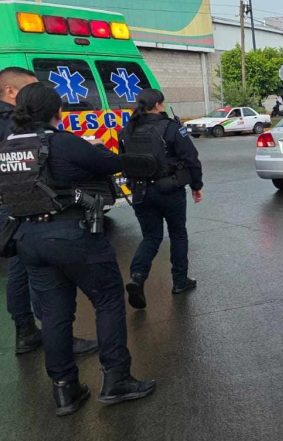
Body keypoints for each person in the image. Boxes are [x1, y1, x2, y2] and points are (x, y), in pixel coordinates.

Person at [1, 83, 155, 416]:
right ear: (56, 110)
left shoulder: (6, 147)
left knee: (54, 314)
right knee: (108, 300)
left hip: (28, 238)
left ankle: (65, 390)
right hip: (73, 235)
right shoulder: (62, 142)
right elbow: (109, 164)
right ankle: (116, 378)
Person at [0, 67, 97, 356]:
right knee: (38, 275)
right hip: (25, 204)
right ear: (10, 91)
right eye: (30, 88)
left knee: (20, 270)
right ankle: (56, 336)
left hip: (11, 203)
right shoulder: (10, 123)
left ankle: (26, 331)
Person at [120, 89, 203, 309]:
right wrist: (197, 185)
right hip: (170, 190)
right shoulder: (171, 128)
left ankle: (137, 277)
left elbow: (124, 160)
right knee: (178, 234)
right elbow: (191, 158)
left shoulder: (127, 130)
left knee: (151, 237)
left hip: (141, 192)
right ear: (157, 104)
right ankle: (180, 281)